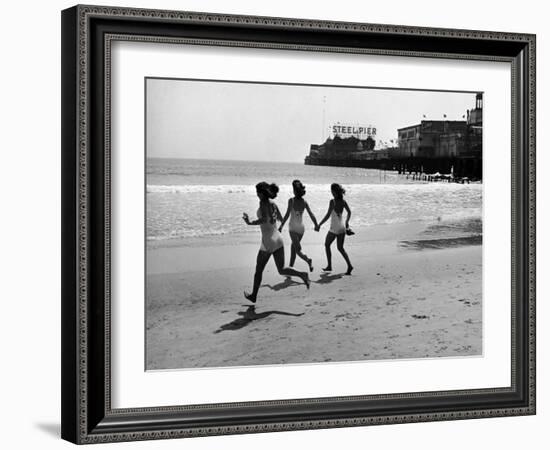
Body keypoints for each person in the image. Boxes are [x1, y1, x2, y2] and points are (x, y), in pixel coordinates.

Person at [242, 182, 310, 303]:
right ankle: (302, 274)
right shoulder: (273, 204)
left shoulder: (263, 202)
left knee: (258, 270)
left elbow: (264, 219)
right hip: (278, 238)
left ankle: (254, 296)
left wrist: (249, 222)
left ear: (262, 193)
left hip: (268, 241)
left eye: (257, 192)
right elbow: (280, 218)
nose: (256, 194)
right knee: (282, 269)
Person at [278, 180, 318, 272]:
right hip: (301, 229)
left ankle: (308, 260)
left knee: (298, 250)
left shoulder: (291, 201)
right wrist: (316, 224)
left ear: (295, 191)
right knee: (293, 248)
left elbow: (287, 214)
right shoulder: (304, 202)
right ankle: (291, 268)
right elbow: (311, 214)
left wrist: (281, 226)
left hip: (292, 228)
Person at [315, 183, 354, 275]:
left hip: (335, 228)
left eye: (331, 191)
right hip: (342, 228)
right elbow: (349, 212)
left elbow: (328, 215)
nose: (331, 193)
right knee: (340, 248)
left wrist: (319, 224)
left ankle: (329, 266)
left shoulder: (333, 202)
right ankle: (349, 265)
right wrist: (347, 223)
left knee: (327, 244)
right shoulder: (343, 202)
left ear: (334, 192)